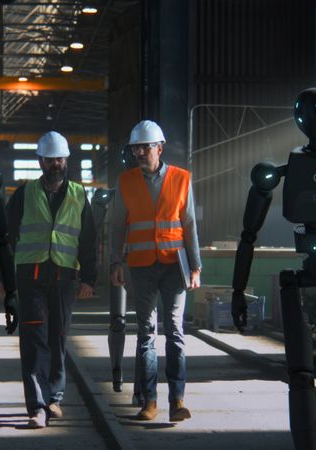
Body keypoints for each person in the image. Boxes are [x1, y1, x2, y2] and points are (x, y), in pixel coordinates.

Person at [0, 131, 97, 429]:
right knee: (33, 339)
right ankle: (37, 406)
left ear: (66, 160)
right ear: (40, 161)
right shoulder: (24, 194)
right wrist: (3, 275)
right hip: (30, 277)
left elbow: (89, 239)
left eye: (59, 159)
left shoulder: (79, 194)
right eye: (50, 159)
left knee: (58, 337)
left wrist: (89, 278)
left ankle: (55, 397)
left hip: (64, 278)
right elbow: (6, 237)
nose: (55, 164)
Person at [109, 120, 202, 422]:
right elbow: (117, 226)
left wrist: (196, 266)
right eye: (135, 148)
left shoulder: (182, 178)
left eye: (145, 147)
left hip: (175, 266)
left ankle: (177, 400)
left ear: (159, 148)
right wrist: (115, 262)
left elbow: (189, 224)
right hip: (141, 267)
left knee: (175, 331)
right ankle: (149, 401)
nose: (139, 152)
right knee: (146, 332)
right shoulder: (125, 182)